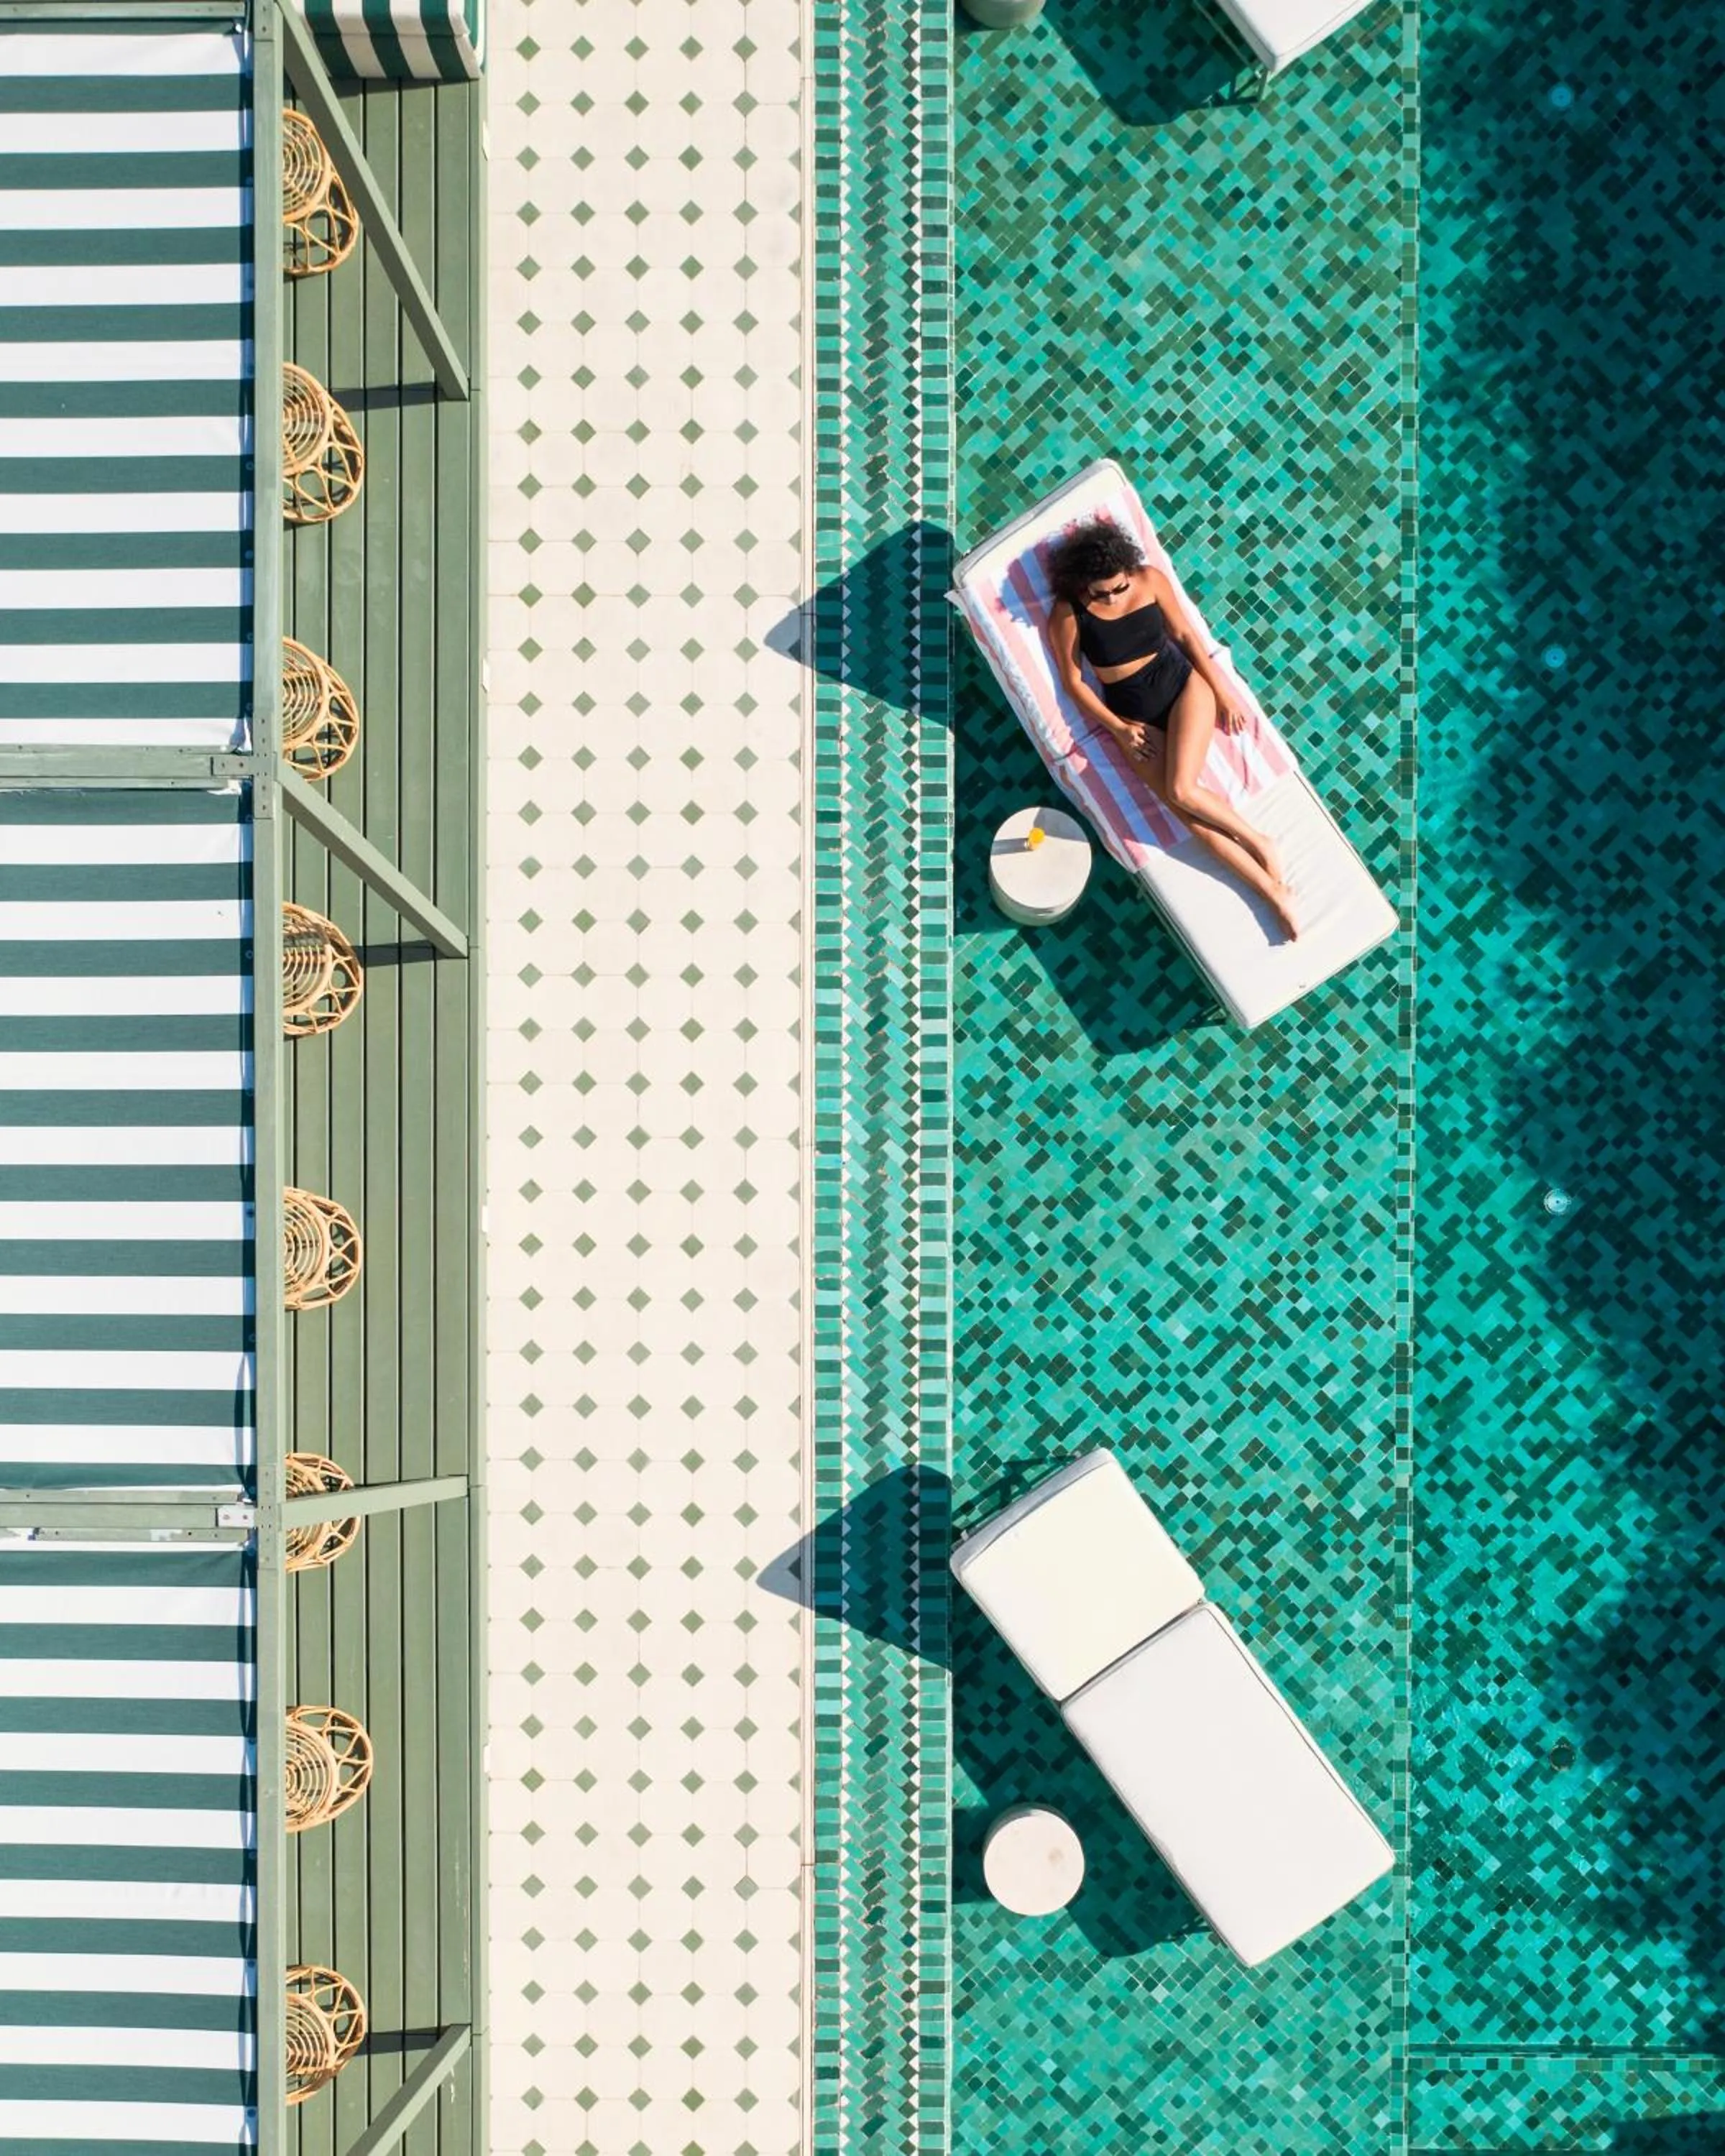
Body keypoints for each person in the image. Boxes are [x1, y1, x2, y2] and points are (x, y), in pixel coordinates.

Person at [1045, 519, 1298, 938]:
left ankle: (1260, 842)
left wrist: (1223, 691)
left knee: (1181, 790)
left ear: (1128, 570)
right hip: (1132, 718)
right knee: (1189, 819)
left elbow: (1185, 634)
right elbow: (1074, 683)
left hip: (1182, 687)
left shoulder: (1149, 579)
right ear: (1082, 582)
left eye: (1118, 588)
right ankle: (1273, 892)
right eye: (1100, 593)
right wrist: (1119, 730)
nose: (1111, 597)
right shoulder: (1068, 611)